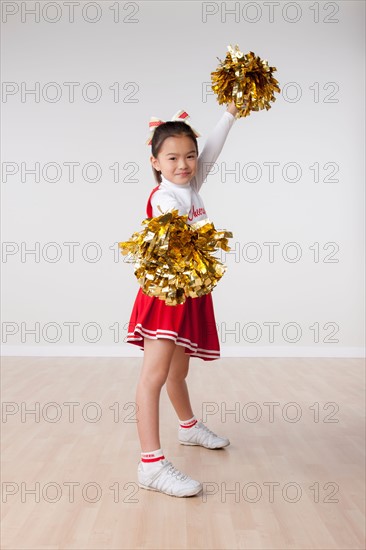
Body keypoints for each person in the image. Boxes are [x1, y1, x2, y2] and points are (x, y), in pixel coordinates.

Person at [126, 101, 239, 497]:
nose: (184, 164)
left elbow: (213, 149)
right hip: (166, 296)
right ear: (156, 161)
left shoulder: (190, 184)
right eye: (172, 157)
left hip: (187, 292)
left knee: (178, 372)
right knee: (153, 377)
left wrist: (230, 113)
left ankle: (188, 428)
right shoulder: (165, 198)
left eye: (189, 156)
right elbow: (175, 230)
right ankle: (151, 465)